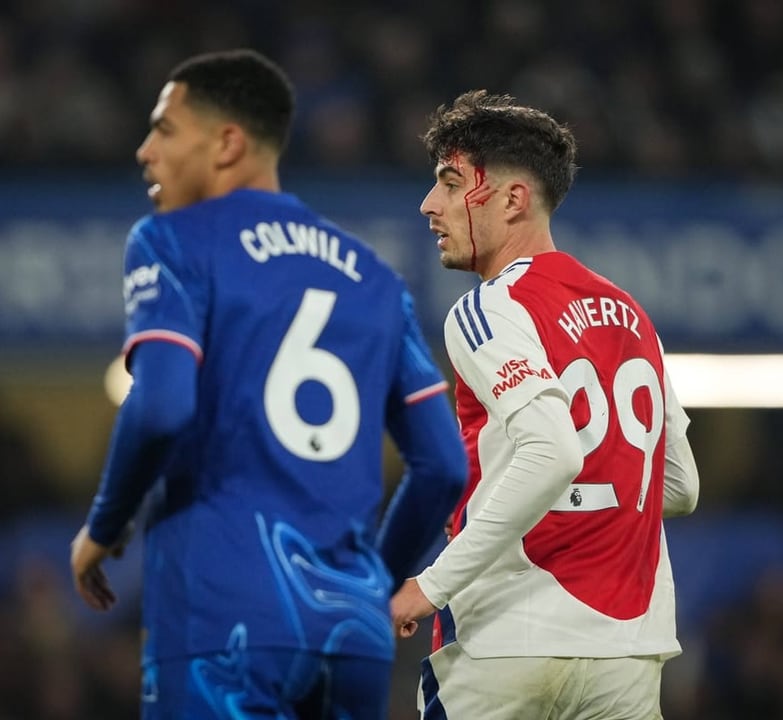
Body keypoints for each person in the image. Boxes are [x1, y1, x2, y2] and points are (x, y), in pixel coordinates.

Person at [69, 48, 467, 720]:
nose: (144, 151)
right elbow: (442, 465)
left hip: (222, 618)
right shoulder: (374, 278)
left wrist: (103, 526)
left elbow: (161, 406)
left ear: (227, 143)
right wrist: (370, 580)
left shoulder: (172, 240)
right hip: (350, 635)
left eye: (165, 129)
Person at [389, 90, 700, 719]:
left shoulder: (489, 307)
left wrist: (432, 583)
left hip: (507, 642)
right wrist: (595, 493)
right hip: (628, 654)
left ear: (510, 199)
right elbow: (678, 485)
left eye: (450, 183)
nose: (430, 205)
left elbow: (552, 450)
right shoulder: (632, 315)